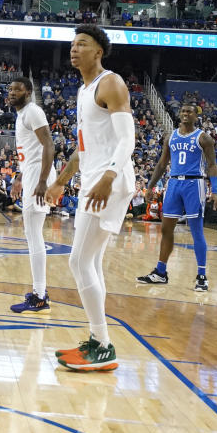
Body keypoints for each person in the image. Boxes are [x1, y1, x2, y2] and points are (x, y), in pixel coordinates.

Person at [45, 24, 135, 372]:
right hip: (95, 178)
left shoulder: (110, 83)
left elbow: (128, 139)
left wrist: (109, 177)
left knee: (78, 261)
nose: (74, 48)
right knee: (91, 262)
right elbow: (83, 150)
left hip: (108, 181)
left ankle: (103, 345)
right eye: (72, 44)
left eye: (82, 44)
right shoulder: (84, 91)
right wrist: (60, 183)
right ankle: (99, 341)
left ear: (98, 51)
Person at [136, 102, 217, 291]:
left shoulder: (203, 138)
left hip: (193, 183)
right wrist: (150, 186)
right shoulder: (171, 136)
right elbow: (161, 163)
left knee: (196, 230)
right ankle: (160, 272)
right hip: (173, 183)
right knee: (166, 230)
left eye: (189, 111)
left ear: (196, 116)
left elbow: (212, 165)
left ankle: (201, 275)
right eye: (182, 111)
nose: (185, 114)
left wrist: (215, 191)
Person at [7, 77, 56, 314]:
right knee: (31, 233)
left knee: (34, 235)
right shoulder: (23, 114)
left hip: (39, 174)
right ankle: (39, 293)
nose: (12, 92)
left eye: (17, 89)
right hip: (31, 173)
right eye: (10, 89)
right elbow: (28, 150)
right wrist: (19, 177)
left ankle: (39, 296)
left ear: (29, 91)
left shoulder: (33, 111)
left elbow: (49, 146)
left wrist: (43, 181)